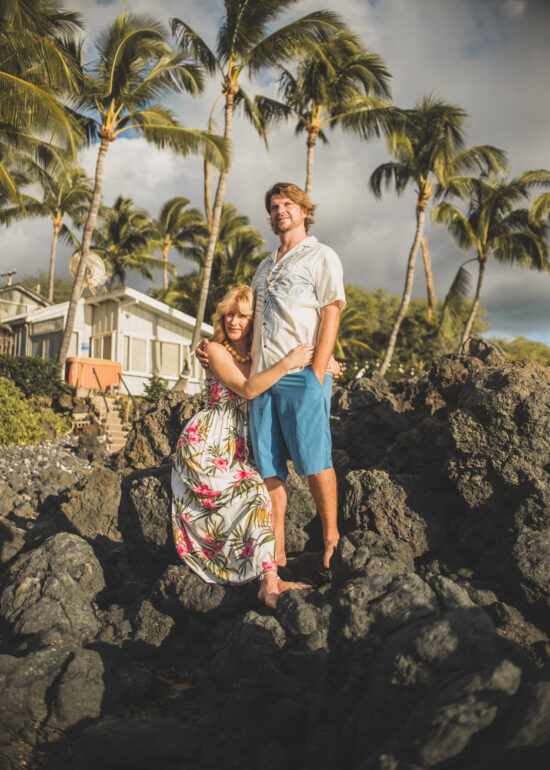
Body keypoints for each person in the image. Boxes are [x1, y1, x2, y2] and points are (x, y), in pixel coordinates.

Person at [198, 182, 345, 574]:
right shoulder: (264, 266)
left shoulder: (321, 256)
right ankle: (276, 553)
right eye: (275, 206)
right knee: (270, 468)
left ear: (303, 211)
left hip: (301, 376)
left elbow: (331, 312)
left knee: (315, 460)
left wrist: (319, 369)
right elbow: (251, 326)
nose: (281, 210)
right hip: (262, 382)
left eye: (288, 204)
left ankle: (331, 538)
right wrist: (214, 349)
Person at [171, 286, 315, 609]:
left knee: (258, 491)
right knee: (253, 489)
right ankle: (269, 579)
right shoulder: (215, 349)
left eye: (243, 315)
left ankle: (269, 581)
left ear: (255, 320)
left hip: (232, 446)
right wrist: (289, 361)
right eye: (230, 314)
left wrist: (323, 361)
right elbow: (249, 389)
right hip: (206, 445)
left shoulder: (256, 353)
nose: (234, 321)